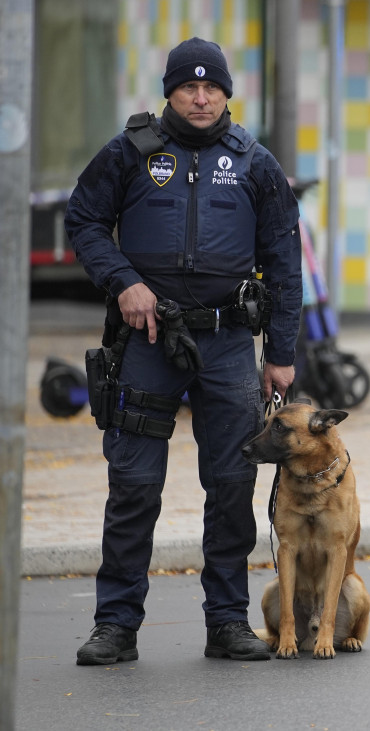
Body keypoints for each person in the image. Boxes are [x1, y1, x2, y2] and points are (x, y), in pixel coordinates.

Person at [65, 37, 302, 665]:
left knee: (230, 485)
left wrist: (280, 351)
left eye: (212, 88)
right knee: (135, 485)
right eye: (188, 87)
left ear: (227, 93)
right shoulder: (130, 153)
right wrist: (125, 283)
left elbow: (283, 261)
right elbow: (83, 221)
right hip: (146, 340)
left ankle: (227, 621)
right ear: (169, 92)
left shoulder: (254, 163)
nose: (201, 98)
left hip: (227, 344)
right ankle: (116, 623)